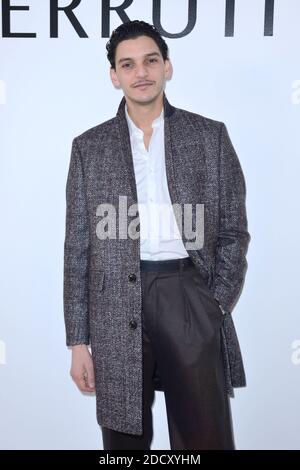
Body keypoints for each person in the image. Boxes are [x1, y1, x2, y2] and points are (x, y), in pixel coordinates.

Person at [63, 20, 250, 450]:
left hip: (188, 292)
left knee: (204, 435)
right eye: (127, 65)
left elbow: (233, 231)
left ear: (167, 66)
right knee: (123, 440)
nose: (140, 72)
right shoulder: (88, 148)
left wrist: (214, 302)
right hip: (113, 304)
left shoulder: (209, 136)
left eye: (150, 61)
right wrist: (78, 341)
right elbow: (77, 248)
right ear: (114, 75)